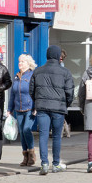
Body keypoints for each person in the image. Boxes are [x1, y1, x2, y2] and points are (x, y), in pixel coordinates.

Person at [30, 45, 74, 175]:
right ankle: (55, 164)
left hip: (42, 107)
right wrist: (66, 104)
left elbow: (31, 90)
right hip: (58, 109)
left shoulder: (37, 71)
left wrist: (37, 101)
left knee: (43, 135)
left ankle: (44, 164)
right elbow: (69, 92)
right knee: (56, 136)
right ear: (58, 56)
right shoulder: (65, 72)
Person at [9, 54, 36, 166]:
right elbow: (12, 94)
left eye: (22, 62)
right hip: (18, 109)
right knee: (22, 132)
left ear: (28, 63)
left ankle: (32, 153)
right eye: (19, 61)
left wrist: (36, 107)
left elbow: (36, 92)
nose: (20, 63)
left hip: (30, 108)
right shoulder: (16, 76)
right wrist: (9, 109)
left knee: (26, 130)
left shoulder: (32, 75)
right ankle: (25, 156)